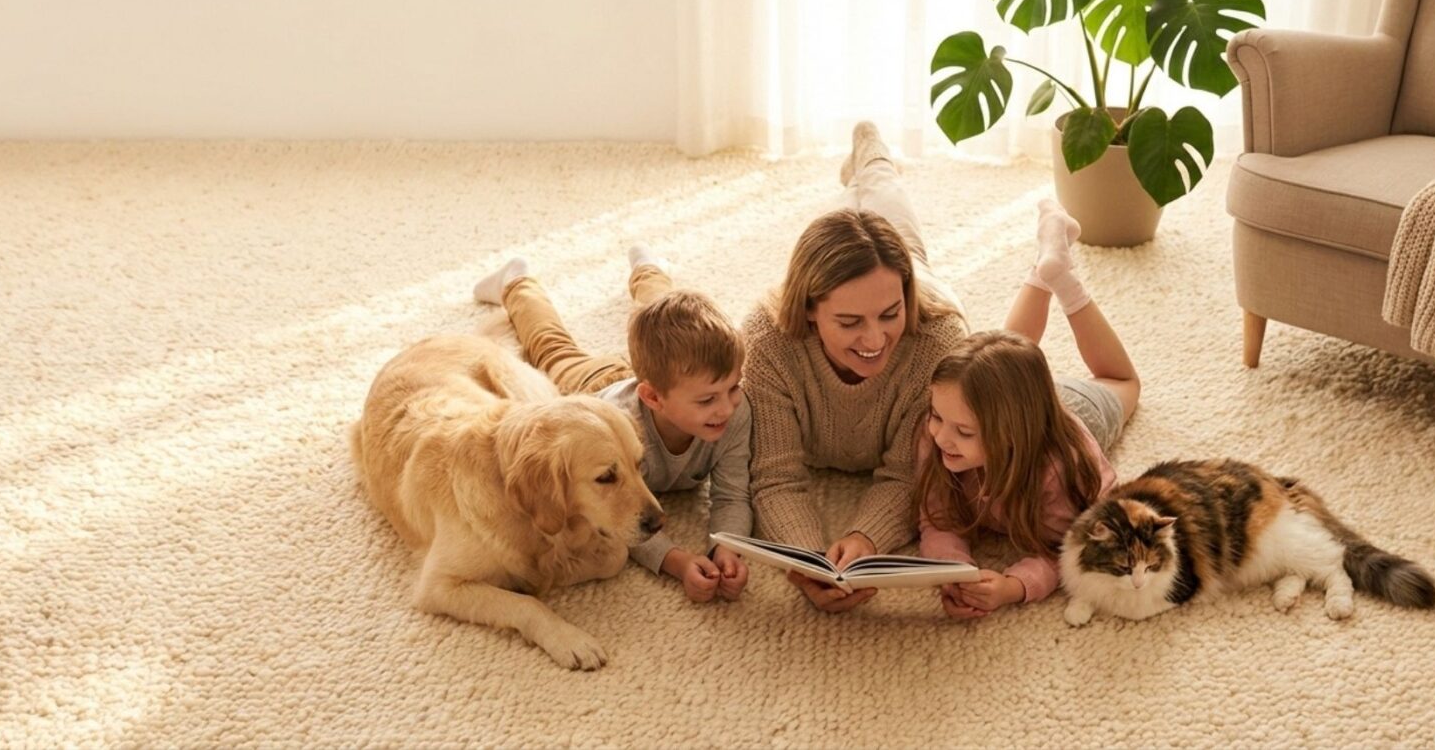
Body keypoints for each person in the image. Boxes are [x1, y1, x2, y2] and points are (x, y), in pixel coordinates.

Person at [741, 122, 969, 613]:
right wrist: (804, 559)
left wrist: (866, 539)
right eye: (849, 322)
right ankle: (866, 164)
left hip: (926, 287)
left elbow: (910, 475)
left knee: (892, 214)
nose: (874, 339)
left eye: (889, 315)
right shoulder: (766, 345)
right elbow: (775, 476)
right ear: (808, 309)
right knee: (865, 212)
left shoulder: (939, 346)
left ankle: (873, 154)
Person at [471, 248, 752, 602]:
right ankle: (515, 281)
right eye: (709, 400)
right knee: (551, 347)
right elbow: (614, 520)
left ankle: (649, 268)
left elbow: (733, 493)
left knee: (666, 314)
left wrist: (726, 548)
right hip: (590, 389)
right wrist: (677, 562)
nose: (727, 408)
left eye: (734, 389)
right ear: (653, 398)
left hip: (664, 385)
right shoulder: (615, 442)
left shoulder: (733, 411)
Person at [916, 199, 1141, 619]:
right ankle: (1046, 264)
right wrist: (953, 570)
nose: (942, 437)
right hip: (1006, 396)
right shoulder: (942, 428)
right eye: (936, 417)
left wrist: (1015, 586)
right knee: (1000, 359)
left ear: (1014, 437)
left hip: (1083, 408)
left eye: (964, 432)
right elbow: (937, 520)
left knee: (1123, 380)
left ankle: (1064, 281)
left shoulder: (1062, 469)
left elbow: (1070, 550)